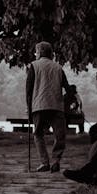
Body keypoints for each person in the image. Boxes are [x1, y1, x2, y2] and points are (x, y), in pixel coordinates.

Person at [26, 41, 70, 172]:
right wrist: (64, 102)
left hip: (39, 105)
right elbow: (68, 89)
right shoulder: (58, 68)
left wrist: (29, 108)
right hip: (56, 106)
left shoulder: (34, 66)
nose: (35, 54)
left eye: (36, 52)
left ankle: (44, 162)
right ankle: (56, 161)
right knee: (59, 135)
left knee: (38, 134)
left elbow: (28, 90)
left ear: (39, 53)